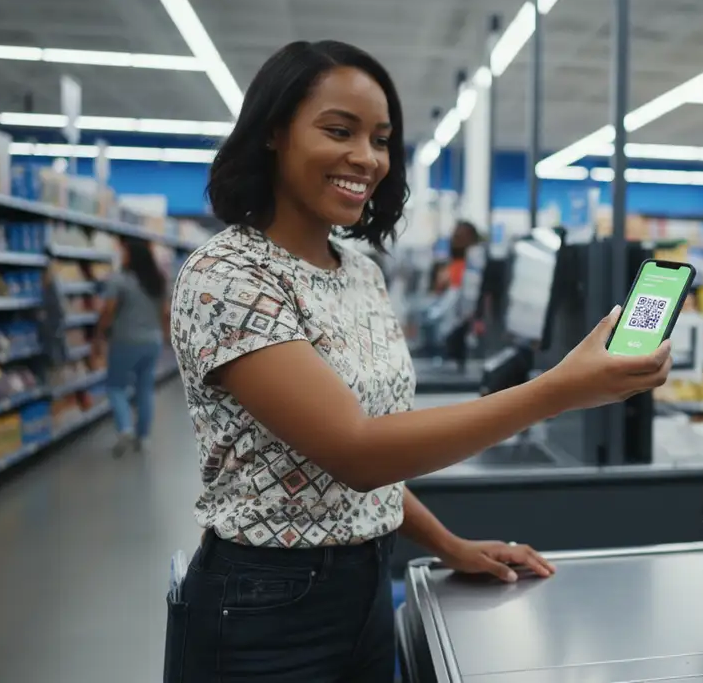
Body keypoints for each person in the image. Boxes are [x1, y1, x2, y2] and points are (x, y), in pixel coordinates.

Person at [164, 40, 671, 683]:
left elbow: (372, 473)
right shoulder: (228, 275)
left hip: (368, 589)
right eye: (338, 131)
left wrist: (449, 546)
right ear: (272, 132)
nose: (367, 158)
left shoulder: (361, 273)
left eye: (380, 139)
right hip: (262, 611)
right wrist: (558, 389)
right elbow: (356, 451)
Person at [95, 237, 169, 457]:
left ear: (132, 256)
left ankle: (125, 428)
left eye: (124, 253)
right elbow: (165, 312)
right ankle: (142, 435)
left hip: (126, 341)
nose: (121, 257)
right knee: (144, 389)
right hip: (152, 342)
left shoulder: (119, 280)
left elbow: (108, 311)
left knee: (115, 386)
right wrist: (166, 337)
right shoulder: (158, 281)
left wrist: (99, 335)